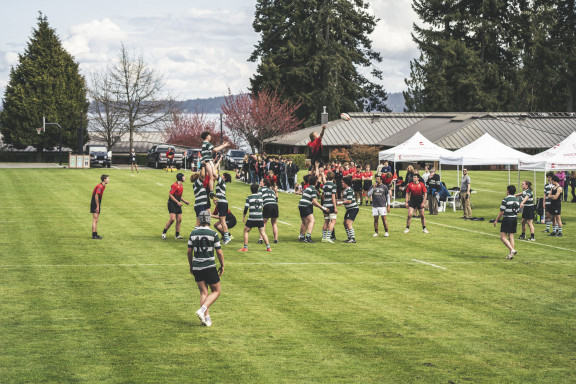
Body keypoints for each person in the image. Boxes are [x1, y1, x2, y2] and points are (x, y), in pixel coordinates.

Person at [188, 210, 224, 327]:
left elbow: (189, 251)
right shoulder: (213, 234)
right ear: (209, 220)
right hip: (209, 266)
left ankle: (207, 318)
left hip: (197, 266)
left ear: (200, 220)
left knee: (203, 292)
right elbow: (219, 252)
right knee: (216, 291)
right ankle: (202, 310)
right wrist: (222, 265)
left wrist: (191, 266)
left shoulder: (193, 233)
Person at [238, 183, 271, 252]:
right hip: (259, 217)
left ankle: (245, 248)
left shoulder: (249, 197)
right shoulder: (261, 198)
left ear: (251, 190)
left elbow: (246, 208)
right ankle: (268, 247)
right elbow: (262, 206)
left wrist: (244, 216)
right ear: (257, 190)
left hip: (252, 218)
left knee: (246, 231)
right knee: (263, 232)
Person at [298, 175, 329, 243]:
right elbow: (314, 201)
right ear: (315, 182)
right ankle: (308, 237)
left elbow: (312, 201)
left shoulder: (308, 188)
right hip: (306, 205)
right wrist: (323, 208)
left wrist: (320, 207)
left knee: (304, 222)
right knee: (312, 221)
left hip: (301, 205)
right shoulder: (313, 189)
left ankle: (302, 236)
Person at [200, 131, 230, 198]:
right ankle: (211, 192)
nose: (210, 136)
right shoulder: (207, 143)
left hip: (210, 161)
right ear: (207, 136)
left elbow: (214, 149)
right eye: (209, 135)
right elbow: (216, 149)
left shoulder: (205, 144)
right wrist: (224, 146)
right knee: (212, 176)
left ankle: (212, 191)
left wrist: (222, 145)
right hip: (208, 161)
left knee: (214, 175)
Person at [494, 185, 520, 259]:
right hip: (514, 219)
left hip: (507, 219)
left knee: (503, 237)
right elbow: (517, 211)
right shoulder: (517, 200)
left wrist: (496, 220)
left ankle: (512, 250)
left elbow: (502, 212)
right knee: (511, 237)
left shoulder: (505, 199)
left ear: (508, 191)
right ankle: (510, 255)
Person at [162, 173, 190, 240]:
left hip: (177, 204)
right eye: (184, 177)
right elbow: (170, 195)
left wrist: (185, 201)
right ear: (180, 178)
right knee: (172, 219)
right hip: (172, 204)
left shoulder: (181, 186)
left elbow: (179, 196)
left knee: (179, 219)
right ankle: (164, 233)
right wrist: (177, 202)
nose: (185, 178)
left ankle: (177, 235)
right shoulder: (174, 185)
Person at [259, 178, 279, 244]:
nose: (260, 182)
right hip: (275, 205)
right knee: (274, 223)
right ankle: (276, 239)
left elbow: (258, 199)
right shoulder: (271, 190)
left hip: (267, 205)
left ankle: (261, 239)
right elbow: (276, 199)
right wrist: (276, 192)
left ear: (264, 183)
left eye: (261, 181)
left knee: (263, 223)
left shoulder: (261, 190)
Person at [214, 170, 232, 245]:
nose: (221, 176)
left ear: (224, 178)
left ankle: (227, 237)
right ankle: (226, 237)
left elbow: (214, 174)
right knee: (222, 221)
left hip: (223, 203)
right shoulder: (221, 183)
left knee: (223, 221)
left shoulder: (222, 182)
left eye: (222, 175)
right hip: (221, 202)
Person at [90, 174, 110, 240]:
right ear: (104, 180)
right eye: (108, 178)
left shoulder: (103, 186)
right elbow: (96, 195)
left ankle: (95, 234)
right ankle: (94, 235)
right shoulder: (100, 186)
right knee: (95, 219)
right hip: (95, 202)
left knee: (96, 219)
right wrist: (97, 206)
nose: (109, 180)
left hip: (97, 202)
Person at [341, 176, 359, 243]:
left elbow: (349, 201)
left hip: (353, 208)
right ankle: (349, 237)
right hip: (349, 209)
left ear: (346, 183)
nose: (342, 183)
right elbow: (344, 199)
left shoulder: (349, 190)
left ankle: (353, 239)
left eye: (342, 182)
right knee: (345, 223)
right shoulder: (345, 190)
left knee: (348, 223)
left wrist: (341, 202)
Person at [321, 171, 338, 243]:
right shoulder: (333, 185)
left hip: (325, 205)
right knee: (333, 221)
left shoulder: (324, 185)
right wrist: (335, 207)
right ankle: (328, 237)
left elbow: (323, 195)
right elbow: (333, 197)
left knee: (326, 221)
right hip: (331, 205)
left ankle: (323, 237)